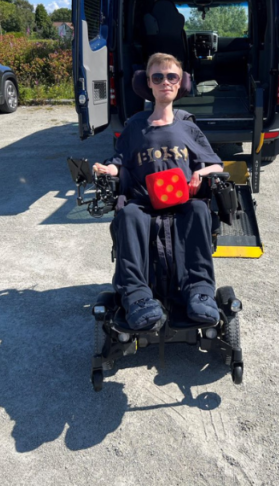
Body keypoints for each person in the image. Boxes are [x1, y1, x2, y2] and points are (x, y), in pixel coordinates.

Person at [93, 52, 225, 330]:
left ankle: (199, 290)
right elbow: (120, 163)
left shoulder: (188, 127)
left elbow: (216, 165)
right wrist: (108, 170)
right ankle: (137, 296)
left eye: (172, 77)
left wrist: (200, 172)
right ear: (149, 84)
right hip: (145, 200)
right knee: (128, 215)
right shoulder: (134, 127)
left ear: (180, 84)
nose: (165, 82)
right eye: (158, 77)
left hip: (182, 199)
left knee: (199, 210)